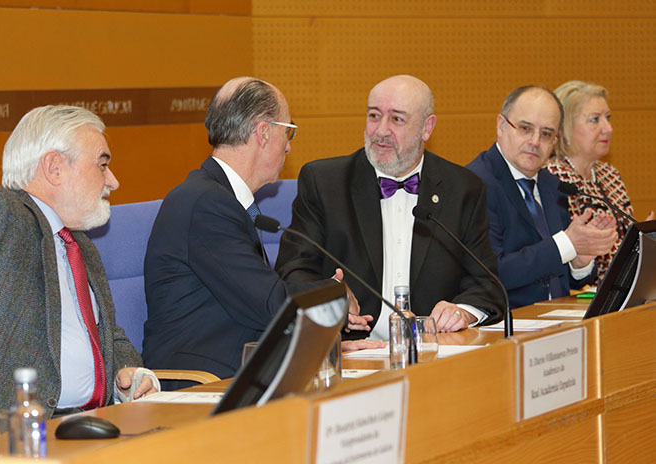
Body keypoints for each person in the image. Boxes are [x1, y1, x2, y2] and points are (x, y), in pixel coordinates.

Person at [142, 77, 378, 385]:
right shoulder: (206, 203)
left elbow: (255, 308)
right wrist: (334, 294)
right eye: (287, 131)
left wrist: (319, 347)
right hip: (201, 382)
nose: (290, 146)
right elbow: (270, 304)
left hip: (243, 368)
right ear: (263, 132)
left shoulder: (220, 198)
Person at [275, 75, 504, 340]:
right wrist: (330, 297)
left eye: (397, 119)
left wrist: (462, 312)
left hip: (433, 351)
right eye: (374, 116)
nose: (381, 130)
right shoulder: (325, 183)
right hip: (351, 349)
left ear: (427, 128)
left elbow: (487, 283)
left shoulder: (462, 189)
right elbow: (292, 271)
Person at [0, 105, 157, 434]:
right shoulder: (3, 214)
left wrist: (129, 373)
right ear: (55, 167)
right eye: (102, 164)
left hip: (94, 425)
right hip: (17, 436)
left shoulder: (79, 245)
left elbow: (108, 334)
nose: (113, 181)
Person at [466, 86, 617, 309]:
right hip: (506, 325)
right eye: (525, 128)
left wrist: (580, 259)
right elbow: (492, 272)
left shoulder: (552, 185)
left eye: (546, 134)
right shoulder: (475, 183)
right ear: (501, 126)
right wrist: (568, 242)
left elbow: (560, 273)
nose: (535, 141)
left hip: (557, 320)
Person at [545, 80, 655, 282]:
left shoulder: (609, 173)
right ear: (564, 128)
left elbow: (621, 248)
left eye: (608, 118)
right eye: (595, 120)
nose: (608, 128)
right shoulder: (551, 178)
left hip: (622, 287)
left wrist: (644, 242)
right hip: (576, 293)